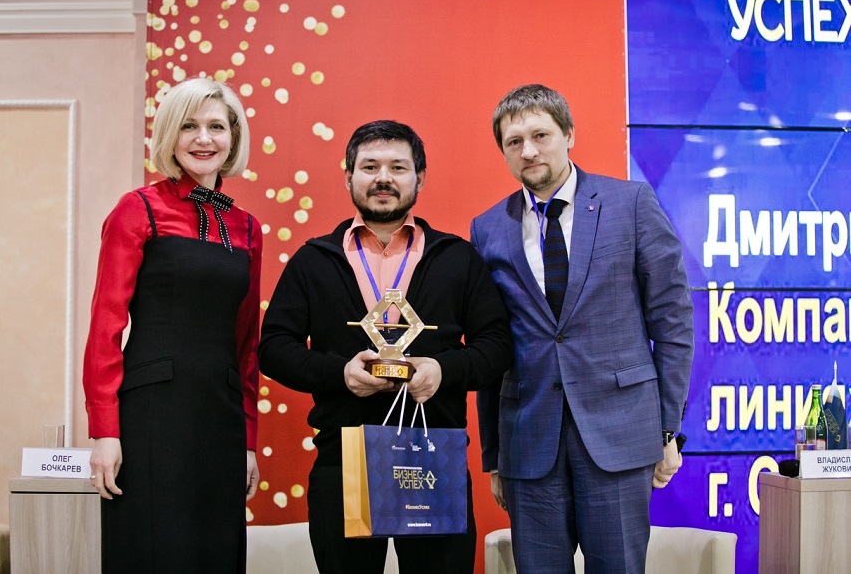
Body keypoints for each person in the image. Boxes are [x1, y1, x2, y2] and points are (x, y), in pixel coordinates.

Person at [259, 120, 512, 574]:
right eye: (370, 166)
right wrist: (339, 374)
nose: (383, 178)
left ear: (420, 177)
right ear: (348, 176)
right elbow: (274, 348)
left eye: (398, 167)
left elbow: (497, 346)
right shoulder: (313, 260)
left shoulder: (457, 258)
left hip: (434, 457)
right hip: (343, 460)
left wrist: (443, 370)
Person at [470, 84, 694, 574]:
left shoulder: (631, 203)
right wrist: (494, 455)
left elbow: (673, 322)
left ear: (568, 134)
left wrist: (668, 430)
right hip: (529, 444)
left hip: (620, 436)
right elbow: (491, 345)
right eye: (514, 142)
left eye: (540, 135)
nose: (528, 151)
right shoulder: (488, 228)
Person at [83, 77, 262, 573]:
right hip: (151, 417)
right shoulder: (137, 208)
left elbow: (247, 344)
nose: (203, 138)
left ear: (233, 138)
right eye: (188, 126)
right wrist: (104, 432)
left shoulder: (248, 227)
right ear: (169, 135)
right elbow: (105, 327)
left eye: (216, 127)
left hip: (221, 419)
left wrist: (248, 440)